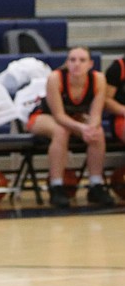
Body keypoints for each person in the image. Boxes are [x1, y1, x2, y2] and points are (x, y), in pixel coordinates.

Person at [26, 46, 113, 208]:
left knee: (98, 132)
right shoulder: (55, 78)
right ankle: (56, 185)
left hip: (75, 119)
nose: (77, 64)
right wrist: (82, 128)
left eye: (82, 60)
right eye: (72, 60)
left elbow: (96, 114)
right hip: (43, 117)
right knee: (61, 131)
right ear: (67, 63)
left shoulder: (99, 79)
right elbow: (59, 116)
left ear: (90, 64)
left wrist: (90, 128)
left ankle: (95, 184)